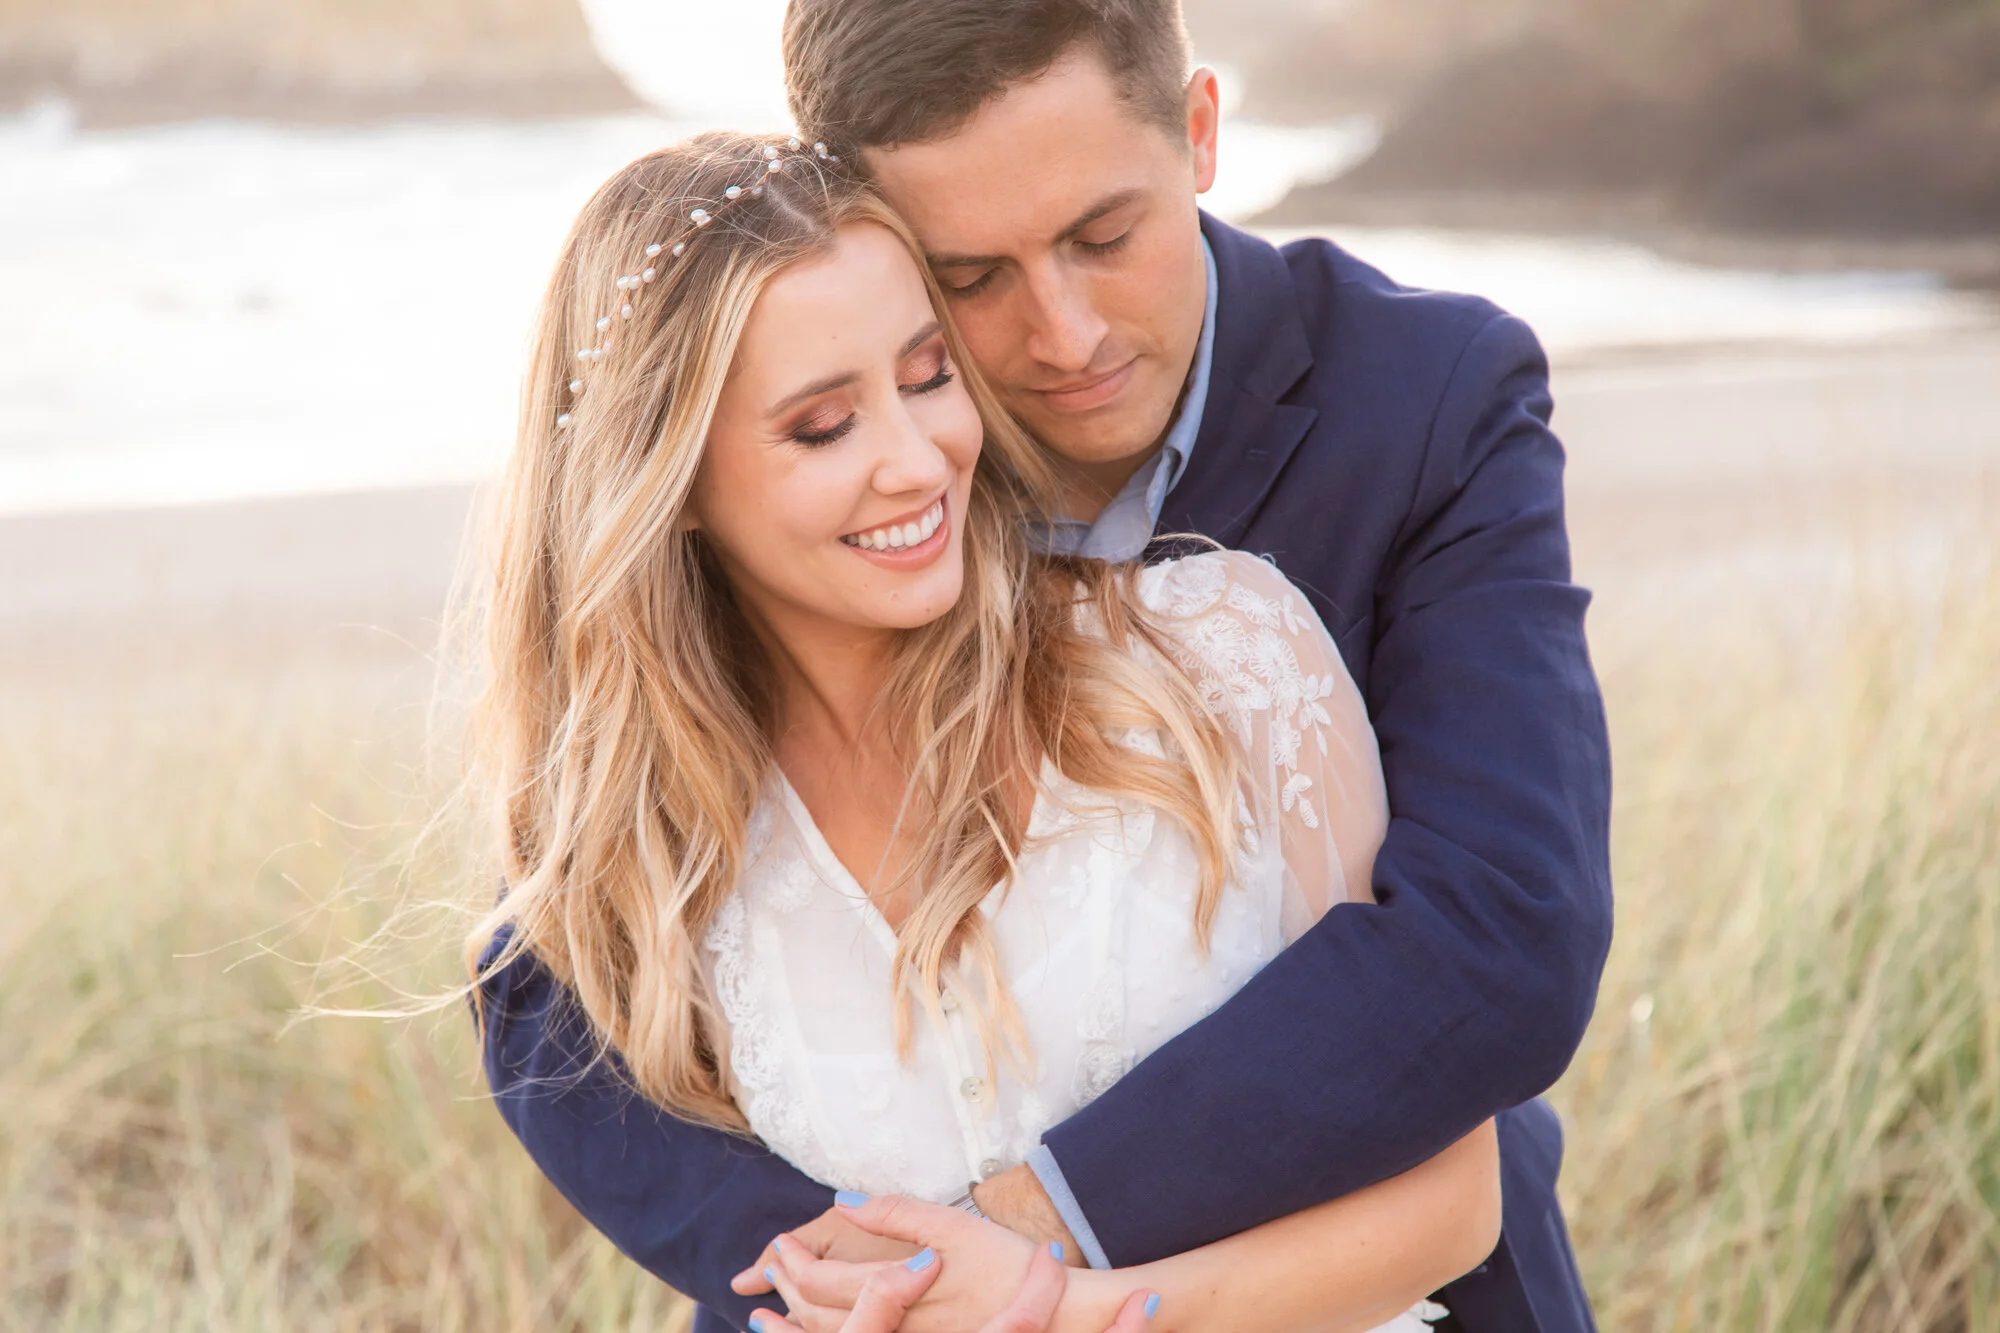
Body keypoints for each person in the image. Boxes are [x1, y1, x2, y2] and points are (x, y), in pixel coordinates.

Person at [477, 3, 1612, 1330]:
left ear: (1197, 132)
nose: (1062, 336)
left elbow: (1502, 935)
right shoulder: (837, 486)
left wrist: (1027, 1232)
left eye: (1104, 236)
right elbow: (550, 969)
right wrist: (846, 1277)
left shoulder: (1422, 401)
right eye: (969, 278)